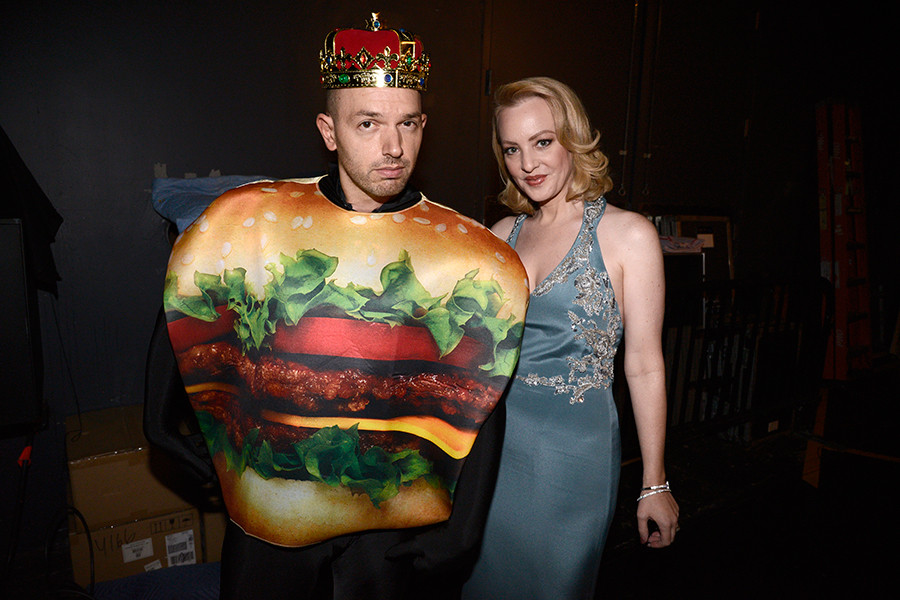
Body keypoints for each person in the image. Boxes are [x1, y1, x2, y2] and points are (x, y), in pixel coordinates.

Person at [145, 14, 529, 600]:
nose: (393, 147)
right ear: (329, 130)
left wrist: (465, 529)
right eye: (368, 123)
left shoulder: (468, 248)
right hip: (271, 526)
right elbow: (186, 298)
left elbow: (481, 391)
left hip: (391, 531)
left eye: (408, 124)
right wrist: (157, 424)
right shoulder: (250, 219)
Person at [462, 77, 679, 600]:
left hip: (572, 459)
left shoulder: (629, 235)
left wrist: (655, 482)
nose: (527, 164)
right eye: (512, 149)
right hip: (492, 458)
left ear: (573, 140)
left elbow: (645, 366)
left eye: (542, 142)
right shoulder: (499, 235)